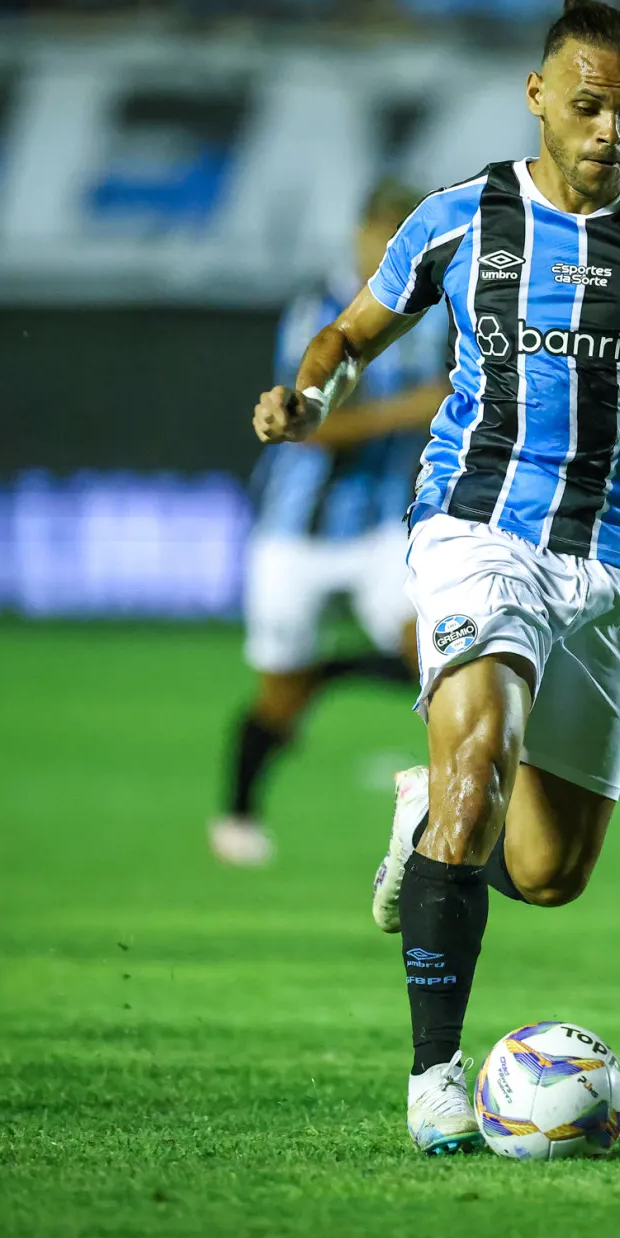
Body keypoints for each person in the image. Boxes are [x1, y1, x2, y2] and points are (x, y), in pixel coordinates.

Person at [253, 0, 620, 1153]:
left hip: (613, 562)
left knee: (550, 870)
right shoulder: (462, 220)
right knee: (477, 771)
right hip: (478, 530)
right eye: (587, 106)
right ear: (537, 97)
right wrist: (311, 392)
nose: (610, 131)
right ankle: (432, 1081)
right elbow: (352, 332)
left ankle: (423, 826)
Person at [210, 180, 452, 867]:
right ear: (358, 235)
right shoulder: (319, 311)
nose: (387, 250)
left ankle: (447, 812)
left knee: (434, 659)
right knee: (280, 692)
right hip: (294, 534)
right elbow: (308, 427)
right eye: (379, 235)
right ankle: (238, 811)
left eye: (402, 237)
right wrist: (409, 409)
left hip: (384, 527)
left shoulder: (441, 314)